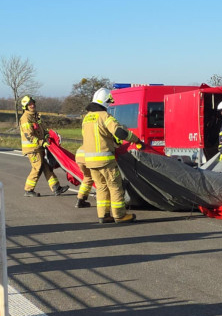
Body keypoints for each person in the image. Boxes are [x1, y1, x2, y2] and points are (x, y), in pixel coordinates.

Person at [81, 88, 144, 224]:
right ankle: (120, 215)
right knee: (115, 187)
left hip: (90, 161)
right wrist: (136, 140)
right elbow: (120, 132)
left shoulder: (86, 118)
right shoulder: (105, 116)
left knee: (101, 187)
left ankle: (103, 215)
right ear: (105, 101)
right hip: (105, 160)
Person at [20, 96, 69, 197]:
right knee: (37, 168)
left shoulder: (35, 116)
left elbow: (42, 130)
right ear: (26, 107)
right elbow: (29, 136)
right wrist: (42, 142)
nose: (32, 105)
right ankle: (28, 190)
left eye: (33, 103)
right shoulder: (26, 118)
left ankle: (56, 188)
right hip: (33, 149)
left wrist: (48, 136)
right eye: (30, 104)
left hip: (39, 147)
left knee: (46, 167)